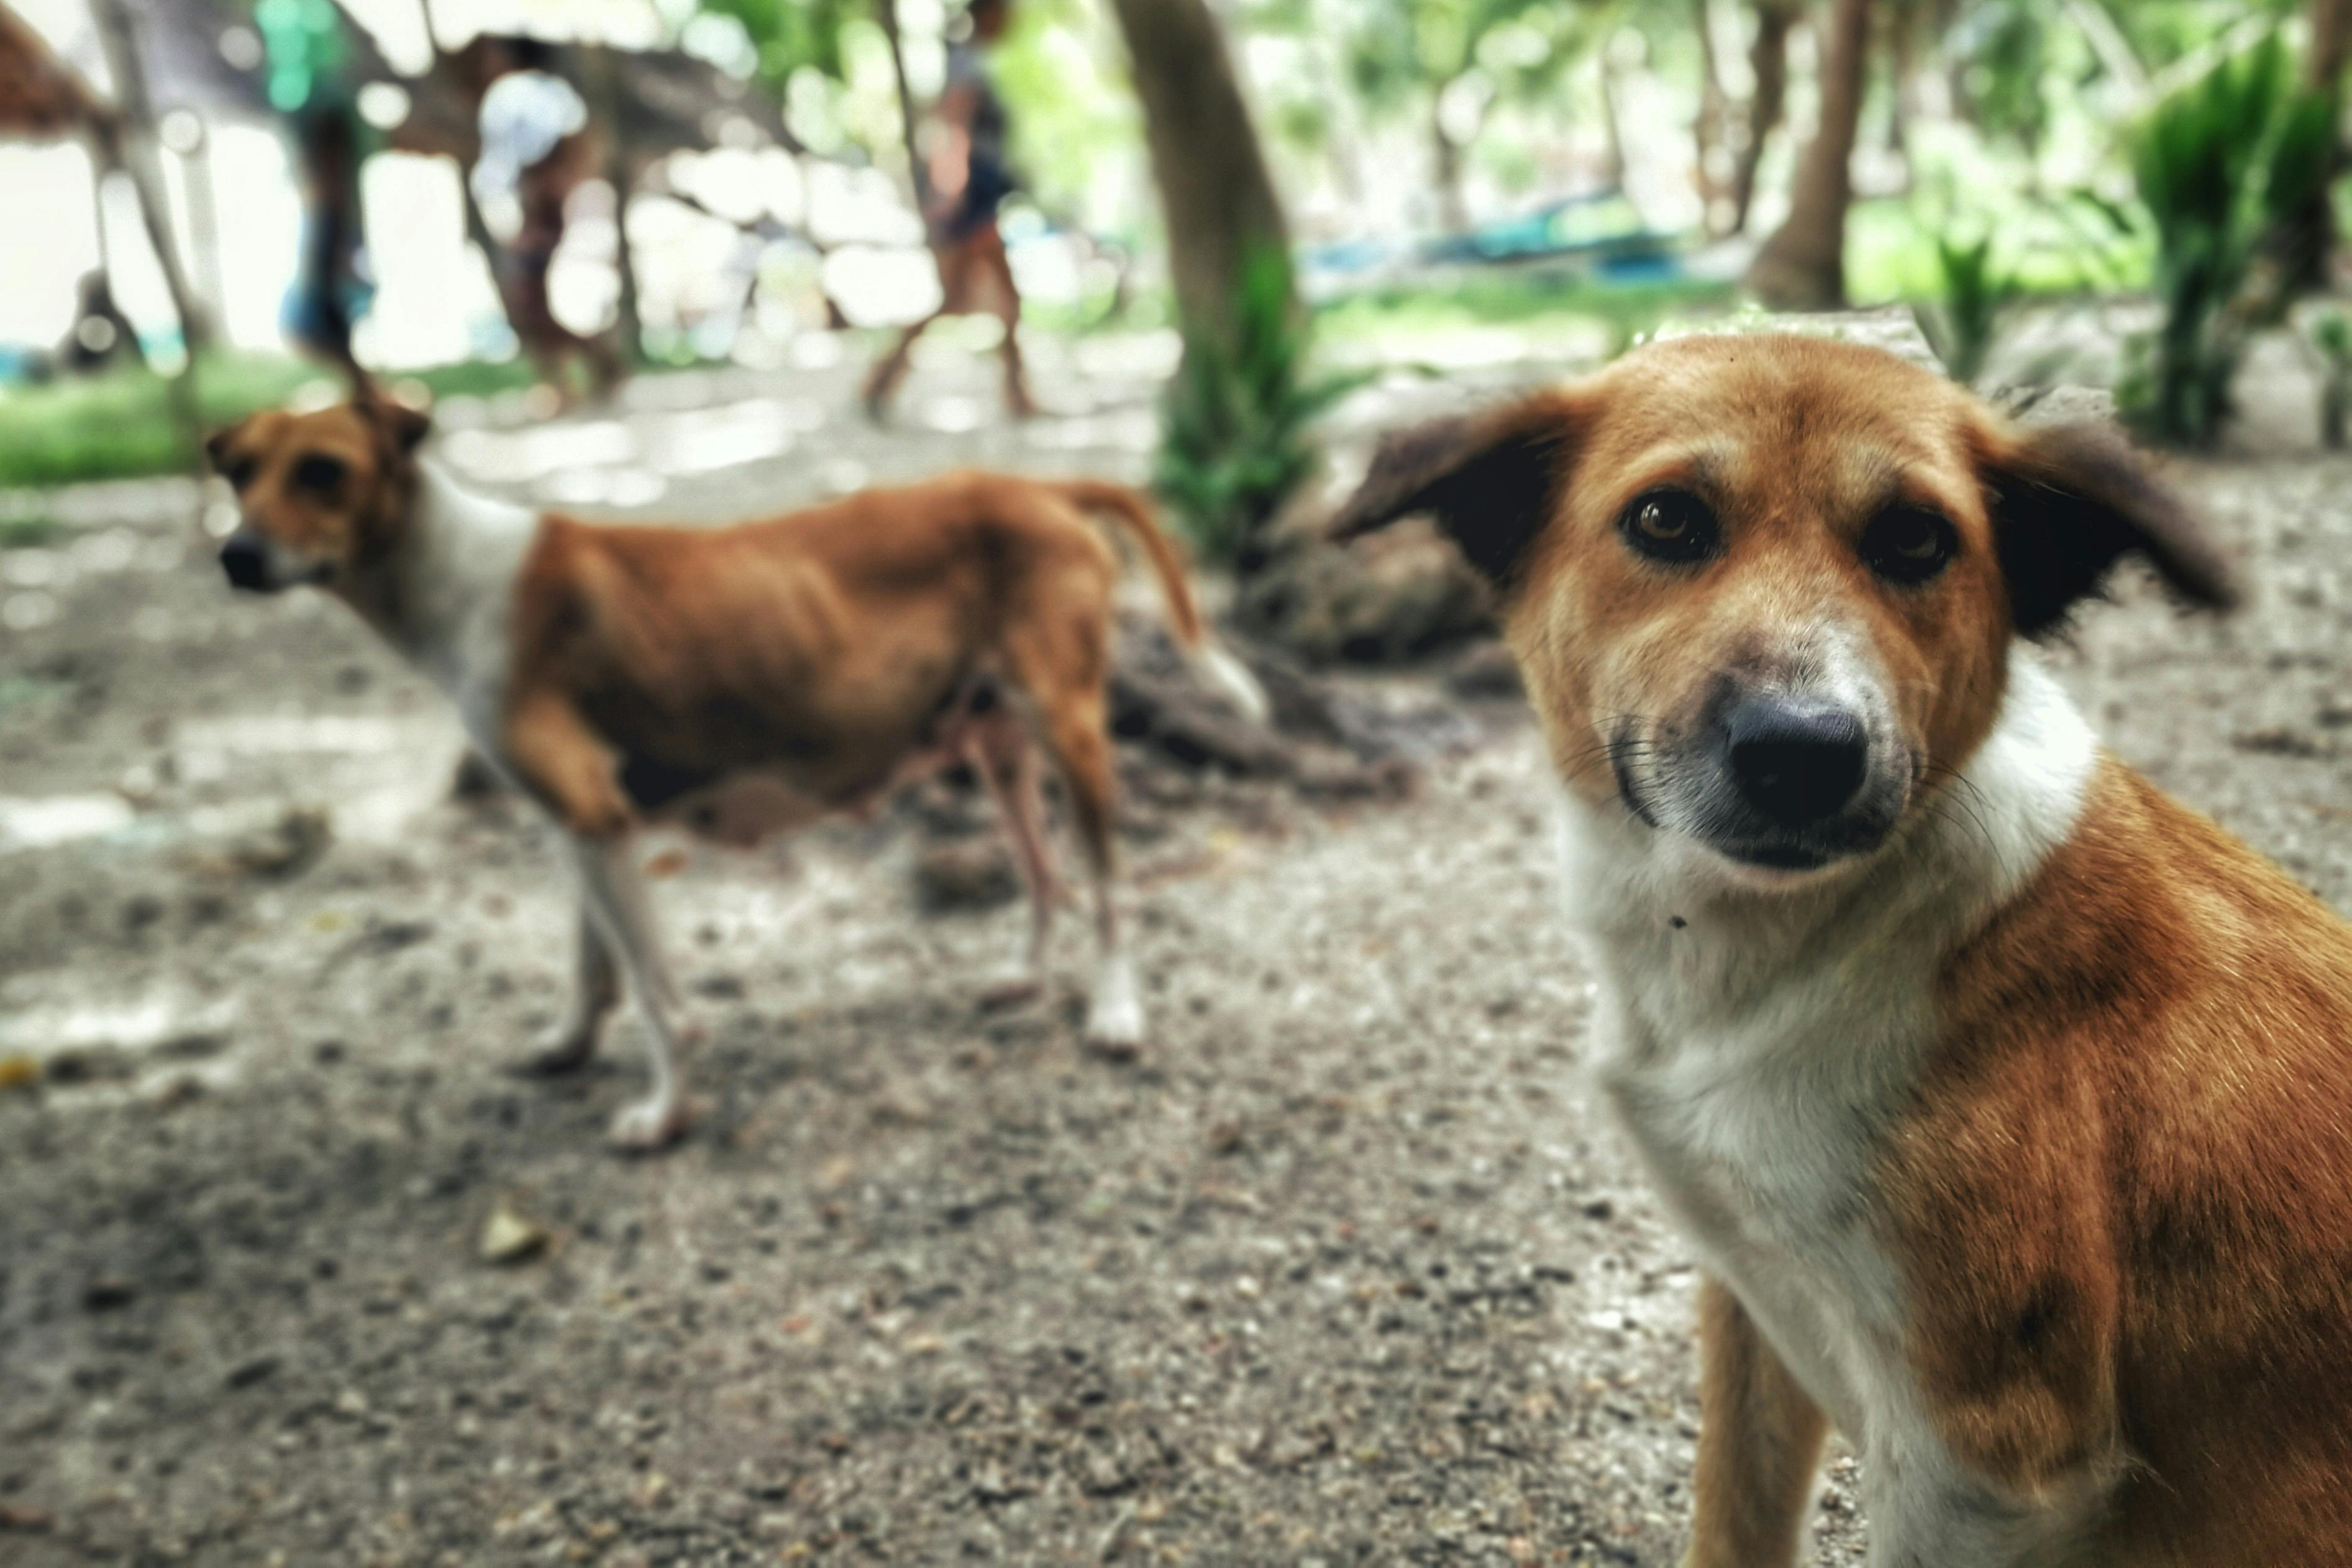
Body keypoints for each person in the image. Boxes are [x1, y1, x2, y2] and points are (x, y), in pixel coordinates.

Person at [864, 0, 1034, 421]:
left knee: (964, 300)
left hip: (979, 200)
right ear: (990, 13)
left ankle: (883, 380)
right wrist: (950, 190)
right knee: (997, 300)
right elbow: (954, 126)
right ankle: (1016, 395)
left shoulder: (972, 59)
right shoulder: (969, 62)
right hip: (972, 204)